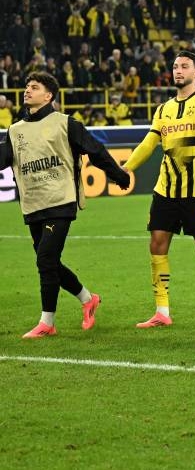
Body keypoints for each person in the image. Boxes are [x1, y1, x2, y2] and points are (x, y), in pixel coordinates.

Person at [0, 71, 130, 338]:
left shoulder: (65, 123)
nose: (27, 90)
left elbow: (96, 150)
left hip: (61, 200)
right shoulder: (15, 131)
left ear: (48, 96)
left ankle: (47, 322)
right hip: (33, 204)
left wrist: (118, 175)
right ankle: (87, 299)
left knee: (45, 259)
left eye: (34, 87)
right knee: (48, 261)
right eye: (27, 86)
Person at [124, 51, 195, 328]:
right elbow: (150, 143)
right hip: (166, 189)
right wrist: (127, 168)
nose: (178, 70)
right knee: (157, 245)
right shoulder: (163, 109)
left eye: (185, 66)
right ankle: (162, 311)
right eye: (175, 66)